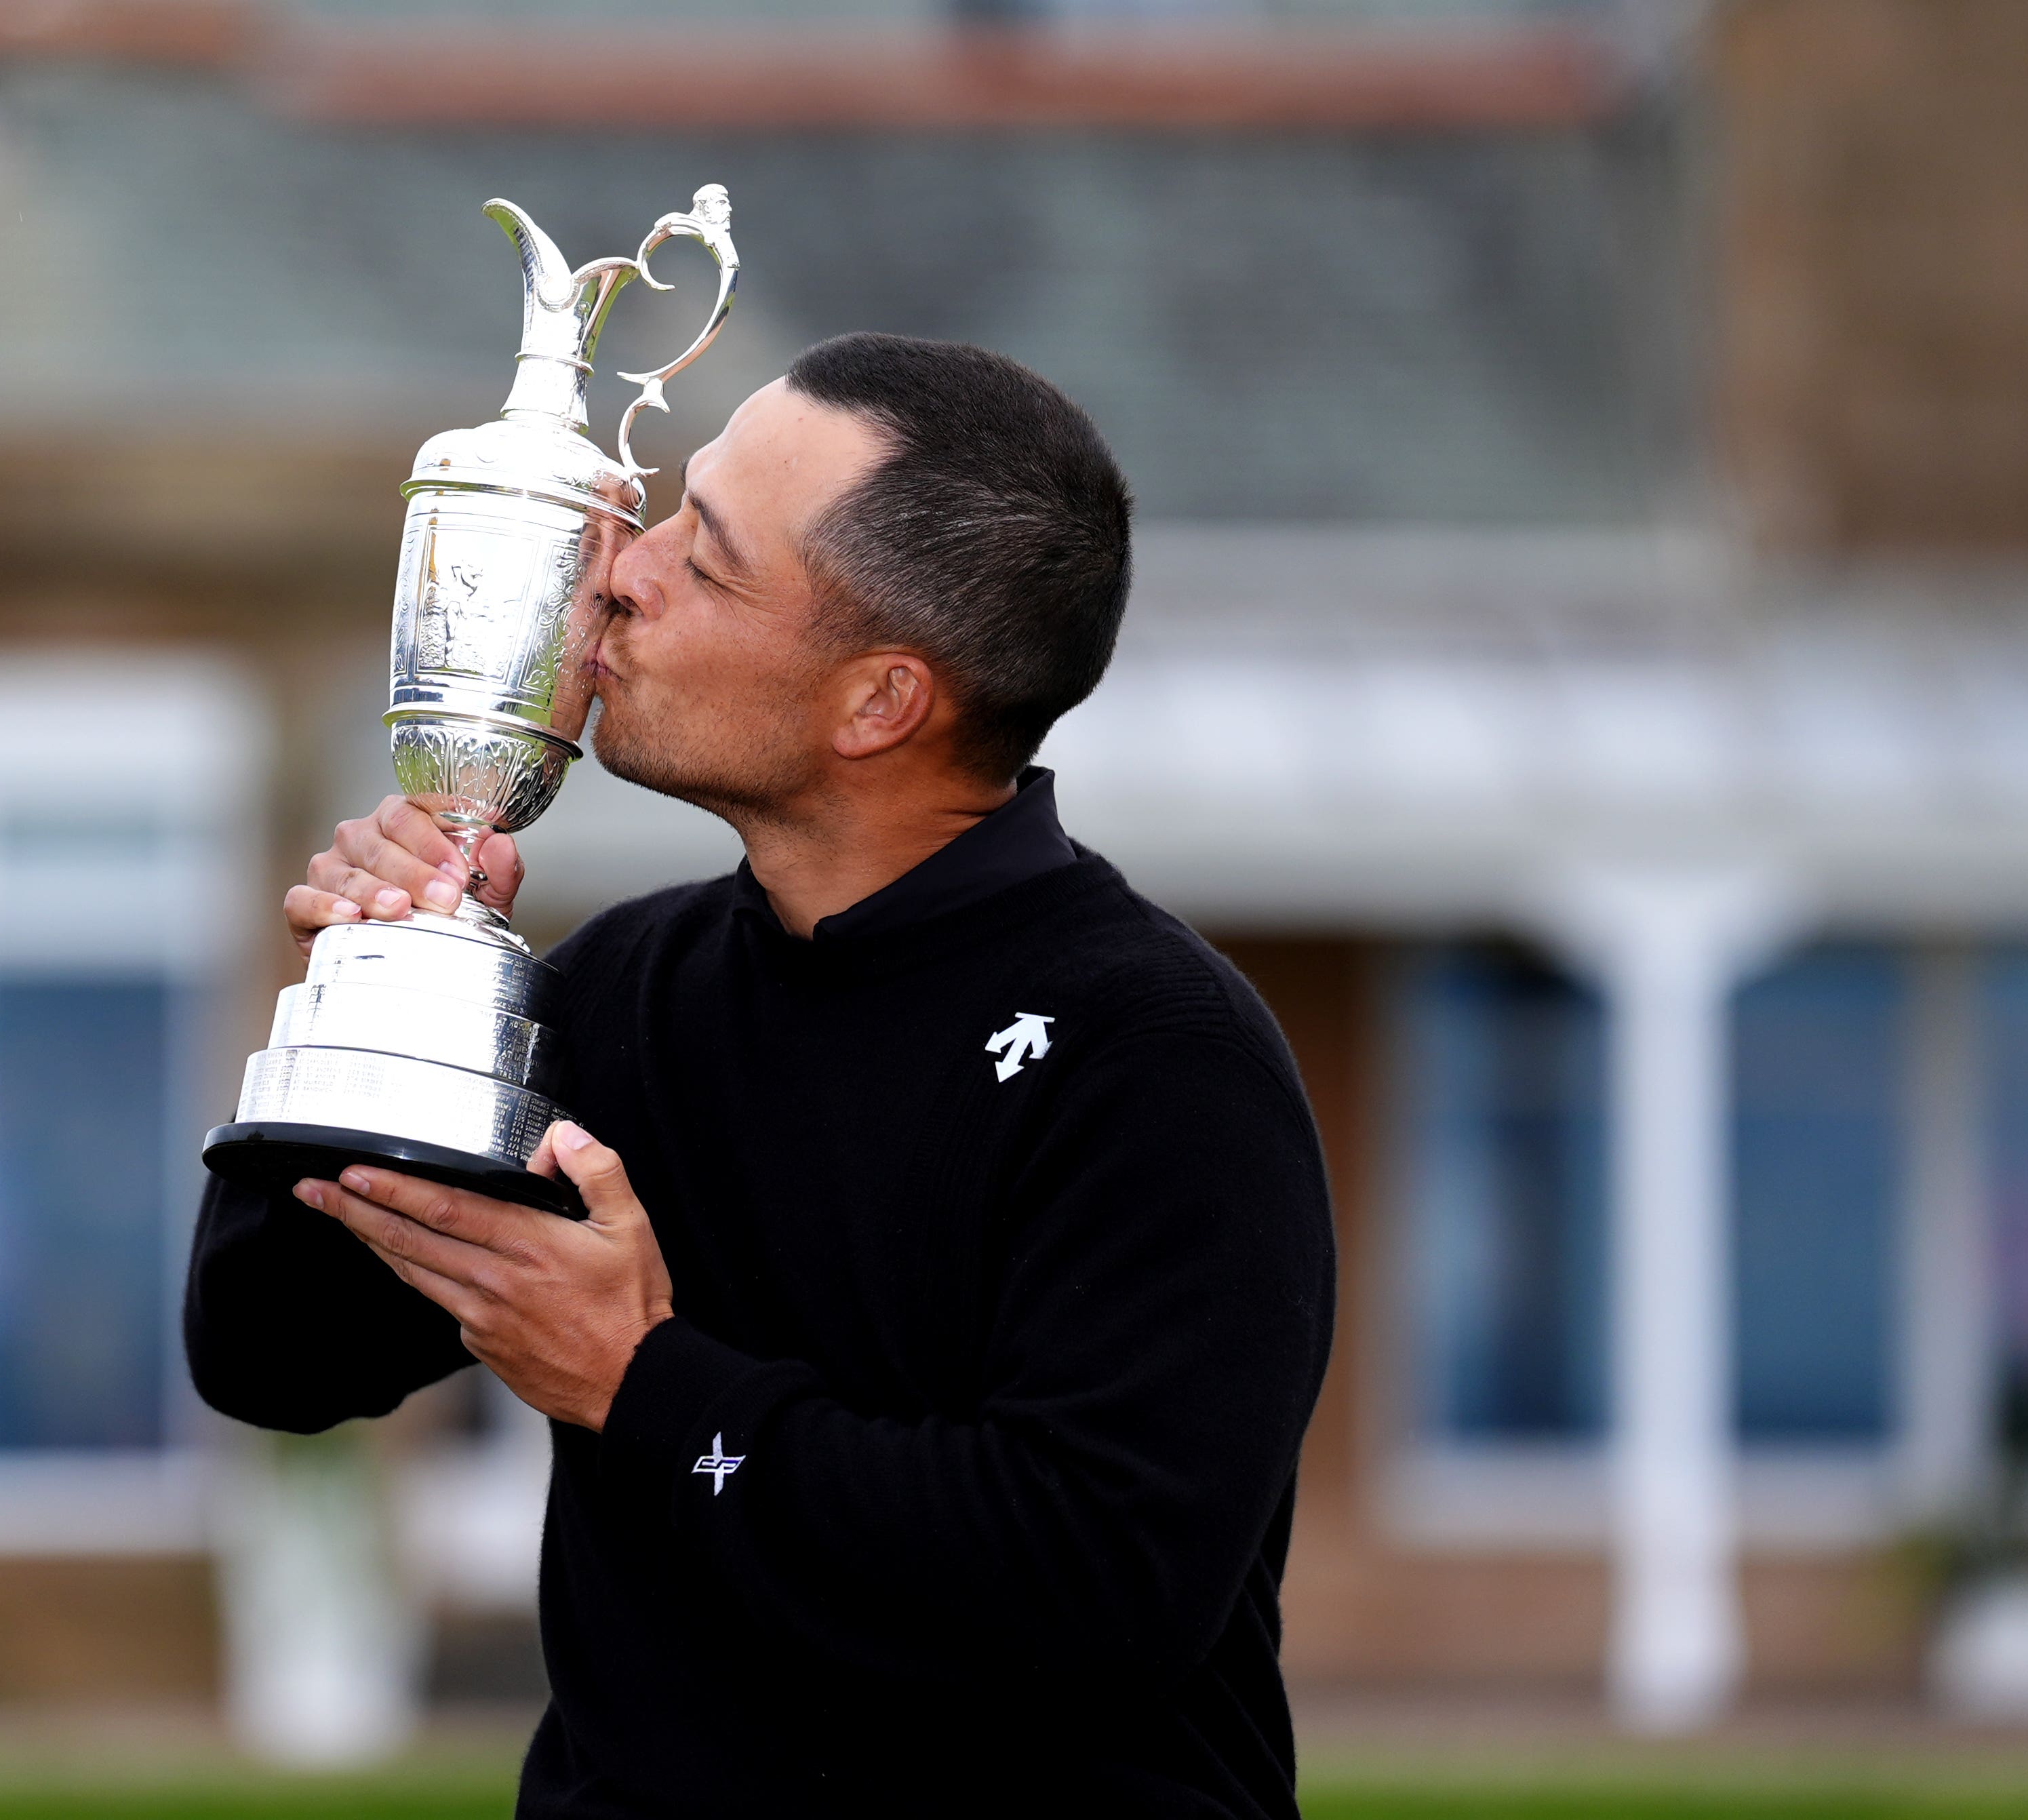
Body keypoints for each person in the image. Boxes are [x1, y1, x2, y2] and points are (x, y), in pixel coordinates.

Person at [184, 333, 1336, 1818]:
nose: (620, 573)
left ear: (880, 703)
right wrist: (379, 997)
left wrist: (643, 1385)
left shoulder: (1161, 1059)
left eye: (705, 561)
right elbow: (271, 1351)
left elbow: (1098, 1590)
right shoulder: (622, 988)